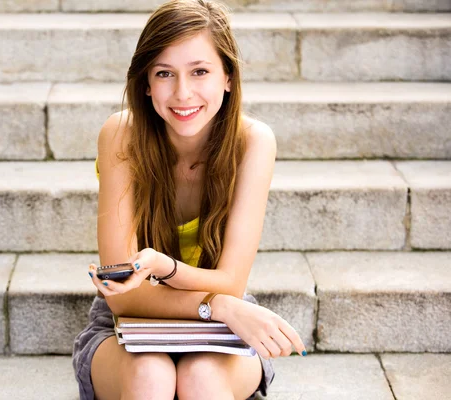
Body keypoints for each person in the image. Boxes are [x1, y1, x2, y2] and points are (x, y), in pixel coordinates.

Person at [72, 1, 307, 399]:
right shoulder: (121, 134)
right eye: (165, 73)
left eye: (200, 71)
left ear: (228, 77)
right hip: (130, 321)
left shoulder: (252, 142)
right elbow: (124, 295)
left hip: (227, 317)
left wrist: (165, 268)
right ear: (145, 81)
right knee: (151, 377)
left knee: (202, 380)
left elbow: (231, 283)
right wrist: (217, 303)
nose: (183, 93)